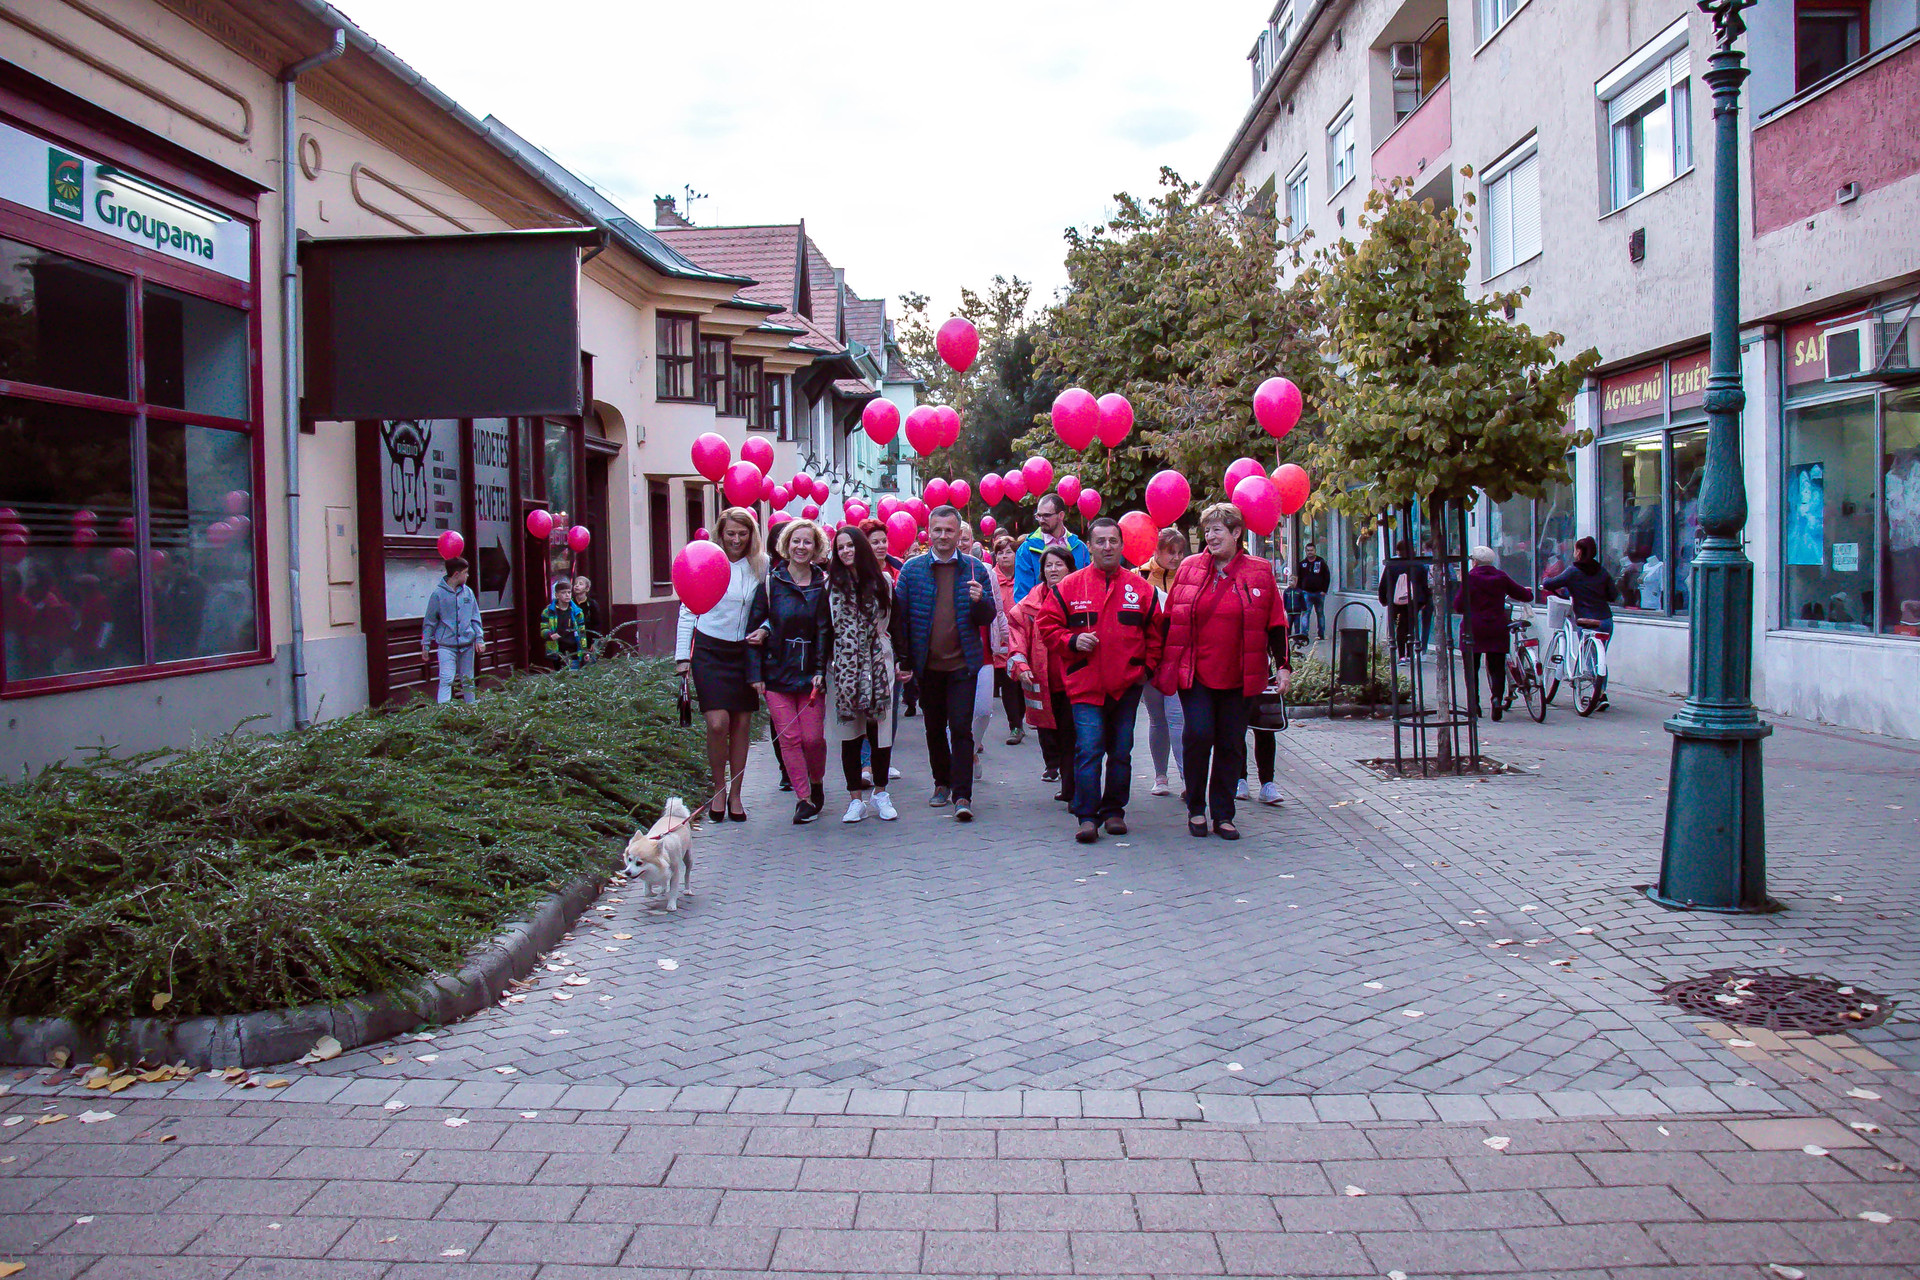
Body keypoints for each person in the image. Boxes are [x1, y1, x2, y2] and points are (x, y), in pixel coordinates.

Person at [1156, 503, 1290, 840]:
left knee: (1231, 743)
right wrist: (1160, 661)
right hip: (1195, 673)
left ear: (1236, 532)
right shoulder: (1189, 568)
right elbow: (1170, 619)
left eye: (1217, 530)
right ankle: (1196, 807)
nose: (1211, 537)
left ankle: (1224, 813)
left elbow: (1276, 622)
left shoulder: (1259, 571)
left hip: (1241, 675)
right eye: (1208, 530)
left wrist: (1283, 666)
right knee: (1199, 735)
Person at [1037, 517, 1162, 843]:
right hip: (1085, 685)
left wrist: (1146, 670)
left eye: (1113, 541)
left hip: (1126, 686)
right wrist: (1072, 641)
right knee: (1089, 750)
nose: (1107, 547)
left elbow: (1156, 634)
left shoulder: (1141, 589)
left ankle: (1114, 811)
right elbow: (1046, 626)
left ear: (1122, 546)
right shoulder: (1069, 587)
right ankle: (1087, 816)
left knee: (1121, 751)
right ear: (1089, 547)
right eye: (1100, 541)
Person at [890, 505, 997, 820]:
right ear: (928, 532)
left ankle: (963, 795)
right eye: (937, 530)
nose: (943, 536)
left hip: (963, 664)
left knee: (961, 728)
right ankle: (941, 783)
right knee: (934, 727)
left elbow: (987, 616)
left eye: (949, 530)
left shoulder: (975, 569)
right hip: (928, 665)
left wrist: (980, 600)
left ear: (958, 532)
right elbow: (900, 619)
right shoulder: (912, 570)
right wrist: (904, 660)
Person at [675, 507, 766, 821]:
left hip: (745, 652)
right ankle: (718, 789)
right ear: (720, 534)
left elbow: (771, 607)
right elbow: (688, 609)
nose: (736, 540)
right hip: (709, 651)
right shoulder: (707, 561)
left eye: (743, 534)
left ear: (751, 535)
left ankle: (736, 794)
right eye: (730, 534)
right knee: (717, 724)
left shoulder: (761, 565)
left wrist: (765, 629)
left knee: (741, 725)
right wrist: (683, 657)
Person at [748, 517, 831, 823]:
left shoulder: (824, 584)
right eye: (796, 540)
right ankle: (804, 798)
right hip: (776, 673)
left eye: (807, 541)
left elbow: (825, 630)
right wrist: (755, 675)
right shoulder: (772, 583)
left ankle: (816, 780)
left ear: (816, 547)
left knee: (812, 739)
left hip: (811, 674)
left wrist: (820, 669)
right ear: (786, 544)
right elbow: (754, 629)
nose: (801, 546)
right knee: (789, 738)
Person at [826, 525, 899, 823]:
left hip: (878, 661)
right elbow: (824, 627)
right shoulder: (830, 586)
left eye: (851, 545)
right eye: (840, 547)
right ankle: (855, 799)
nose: (846, 551)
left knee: (879, 728)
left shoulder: (883, 581)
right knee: (850, 733)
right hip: (843, 665)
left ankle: (881, 793)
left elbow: (894, 620)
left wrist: (900, 660)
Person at [1009, 545, 1079, 802]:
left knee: (1072, 736)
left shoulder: (1080, 598)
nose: (1053, 570)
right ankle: (1061, 775)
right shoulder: (1029, 604)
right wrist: (1021, 667)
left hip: (1075, 681)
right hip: (1043, 682)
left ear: (1070, 568)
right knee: (1051, 733)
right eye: (1048, 565)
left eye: (1059, 565)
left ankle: (1071, 788)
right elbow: (1016, 635)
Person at [1453, 545, 1535, 721]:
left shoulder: (1470, 578)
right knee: (1497, 667)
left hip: (1473, 627)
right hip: (1496, 626)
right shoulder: (1501, 577)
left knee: (1471, 668)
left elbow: (1458, 605)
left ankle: (1474, 704)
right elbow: (1525, 595)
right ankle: (1497, 699)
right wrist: (1528, 592)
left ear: (1475, 562)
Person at [1542, 534, 1618, 709]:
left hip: (1586, 619)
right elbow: (1613, 595)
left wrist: (1545, 580)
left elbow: (1551, 584)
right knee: (1599, 657)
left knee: (1590, 659)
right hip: (1605, 620)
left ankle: (1598, 695)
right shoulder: (1602, 571)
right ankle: (1601, 691)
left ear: (1580, 552)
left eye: (1576, 549)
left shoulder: (1573, 571)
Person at [1142, 527, 1189, 797]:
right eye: (1170, 552)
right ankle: (1160, 776)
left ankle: (1186, 779)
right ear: (1156, 550)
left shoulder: (1187, 576)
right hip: (1150, 660)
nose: (1176, 558)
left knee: (1177, 719)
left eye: (1180, 552)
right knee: (1157, 719)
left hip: (1177, 659)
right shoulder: (1140, 575)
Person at [421, 555, 486, 703]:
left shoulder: (468, 593)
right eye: (465, 572)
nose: (467, 575)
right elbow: (430, 622)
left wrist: (479, 638)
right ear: (456, 574)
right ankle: (443, 711)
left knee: (468, 680)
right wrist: (426, 644)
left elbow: (475, 617)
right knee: (446, 679)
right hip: (446, 645)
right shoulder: (438, 594)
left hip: (467, 645)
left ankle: (471, 709)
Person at [1011, 493, 1090, 598]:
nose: (1041, 520)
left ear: (1061, 515)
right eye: (1038, 516)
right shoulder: (1026, 549)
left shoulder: (1080, 548)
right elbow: (1022, 595)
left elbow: (1087, 587)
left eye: (1046, 515)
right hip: (1040, 607)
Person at [991, 535, 1025, 744]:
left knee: (1021, 683)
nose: (1004, 556)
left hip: (1023, 637)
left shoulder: (1025, 576)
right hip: (1002, 641)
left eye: (1009, 552)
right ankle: (1015, 725)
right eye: (1000, 552)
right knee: (1008, 684)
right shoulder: (991, 578)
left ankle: (1021, 718)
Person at [1378, 538, 1430, 663]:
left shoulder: (1392, 565)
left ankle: (1401, 655)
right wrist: (1424, 601)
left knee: (1400, 627)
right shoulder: (1418, 565)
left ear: (1399, 551)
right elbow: (1424, 585)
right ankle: (1410, 652)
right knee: (1410, 626)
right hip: (1414, 601)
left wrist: (1383, 599)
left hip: (1396, 600)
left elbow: (1384, 584)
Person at [540, 578, 585, 670]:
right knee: (560, 674)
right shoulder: (549, 611)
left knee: (573, 673)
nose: (567, 595)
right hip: (557, 649)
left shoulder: (577, 612)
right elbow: (543, 629)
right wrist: (550, 635)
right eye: (563, 593)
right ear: (557, 595)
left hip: (573, 649)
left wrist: (584, 650)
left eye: (569, 592)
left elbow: (582, 632)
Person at [1296, 542, 1330, 640]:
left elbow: (1327, 576)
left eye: (1311, 550)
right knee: (1305, 613)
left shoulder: (1321, 562)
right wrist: (1299, 591)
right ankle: (1304, 635)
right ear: (1305, 551)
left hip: (1319, 593)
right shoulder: (1302, 564)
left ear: (1315, 551)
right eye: (1308, 550)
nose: (1310, 552)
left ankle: (1321, 634)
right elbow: (1299, 578)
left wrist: (1324, 590)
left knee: (1320, 613)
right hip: (1306, 593)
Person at [572, 574, 599, 658]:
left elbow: (597, 624)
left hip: (588, 638)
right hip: (573, 640)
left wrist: (594, 642)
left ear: (587, 589)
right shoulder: (570, 603)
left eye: (580, 584)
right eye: (575, 584)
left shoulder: (592, 604)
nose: (577, 586)